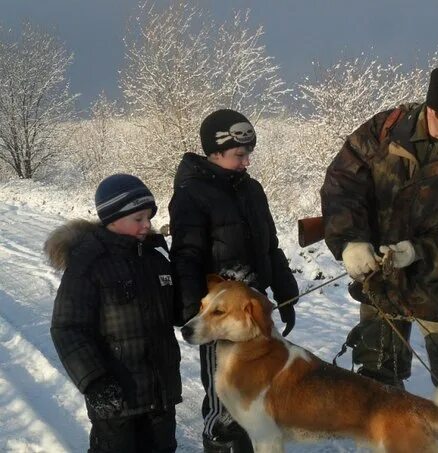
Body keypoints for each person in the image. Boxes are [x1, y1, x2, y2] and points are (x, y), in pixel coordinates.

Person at [320, 58, 438, 453]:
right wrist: (350, 241)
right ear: (432, 111)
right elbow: (342, 186)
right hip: (380, 284)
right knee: (376, 382)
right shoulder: (386, 129)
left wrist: (419, 252)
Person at [169, 109, 299, 453]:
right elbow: (186, 256)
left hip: (253, 311)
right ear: (215, 152)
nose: (246, 162)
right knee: (225, 402)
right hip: (219, 318)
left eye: (248, 154)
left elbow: (270, 245)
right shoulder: (191, 193)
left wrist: (286, 292)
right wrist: (191, 312)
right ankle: (222, 444)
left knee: (257, 392)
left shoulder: (252, 189)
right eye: (239, 155)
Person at [46, 174, 182, 452]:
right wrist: (94, 382)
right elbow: (67, 327)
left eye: (149, 218)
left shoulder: (156, 259)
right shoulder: (89, 264)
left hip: (161, 394)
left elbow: (177, 311)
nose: (147, 225)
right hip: (116, 399)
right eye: (138, 219)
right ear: (112, 219)